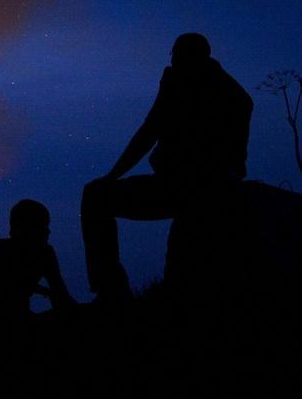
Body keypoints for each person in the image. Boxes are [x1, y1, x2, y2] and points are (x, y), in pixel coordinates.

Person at [81, 33, 253, 304]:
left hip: (199, 190)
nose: (173, 64)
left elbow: (150, 132)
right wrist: (113, 175)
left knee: (97, 197)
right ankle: (111, 287)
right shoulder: (187, 82)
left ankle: (115, 290)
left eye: (177, 58)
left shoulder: (223, 94)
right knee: (95, 196)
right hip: (181, 185)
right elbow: (149, 131)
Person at [0, 199, 75, 348]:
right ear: (26, 228)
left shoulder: (44, 254)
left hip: (10, 323)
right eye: (43, 226)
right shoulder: (0, 250)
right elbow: (3, 293)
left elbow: (60, 295)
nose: (48, 231)